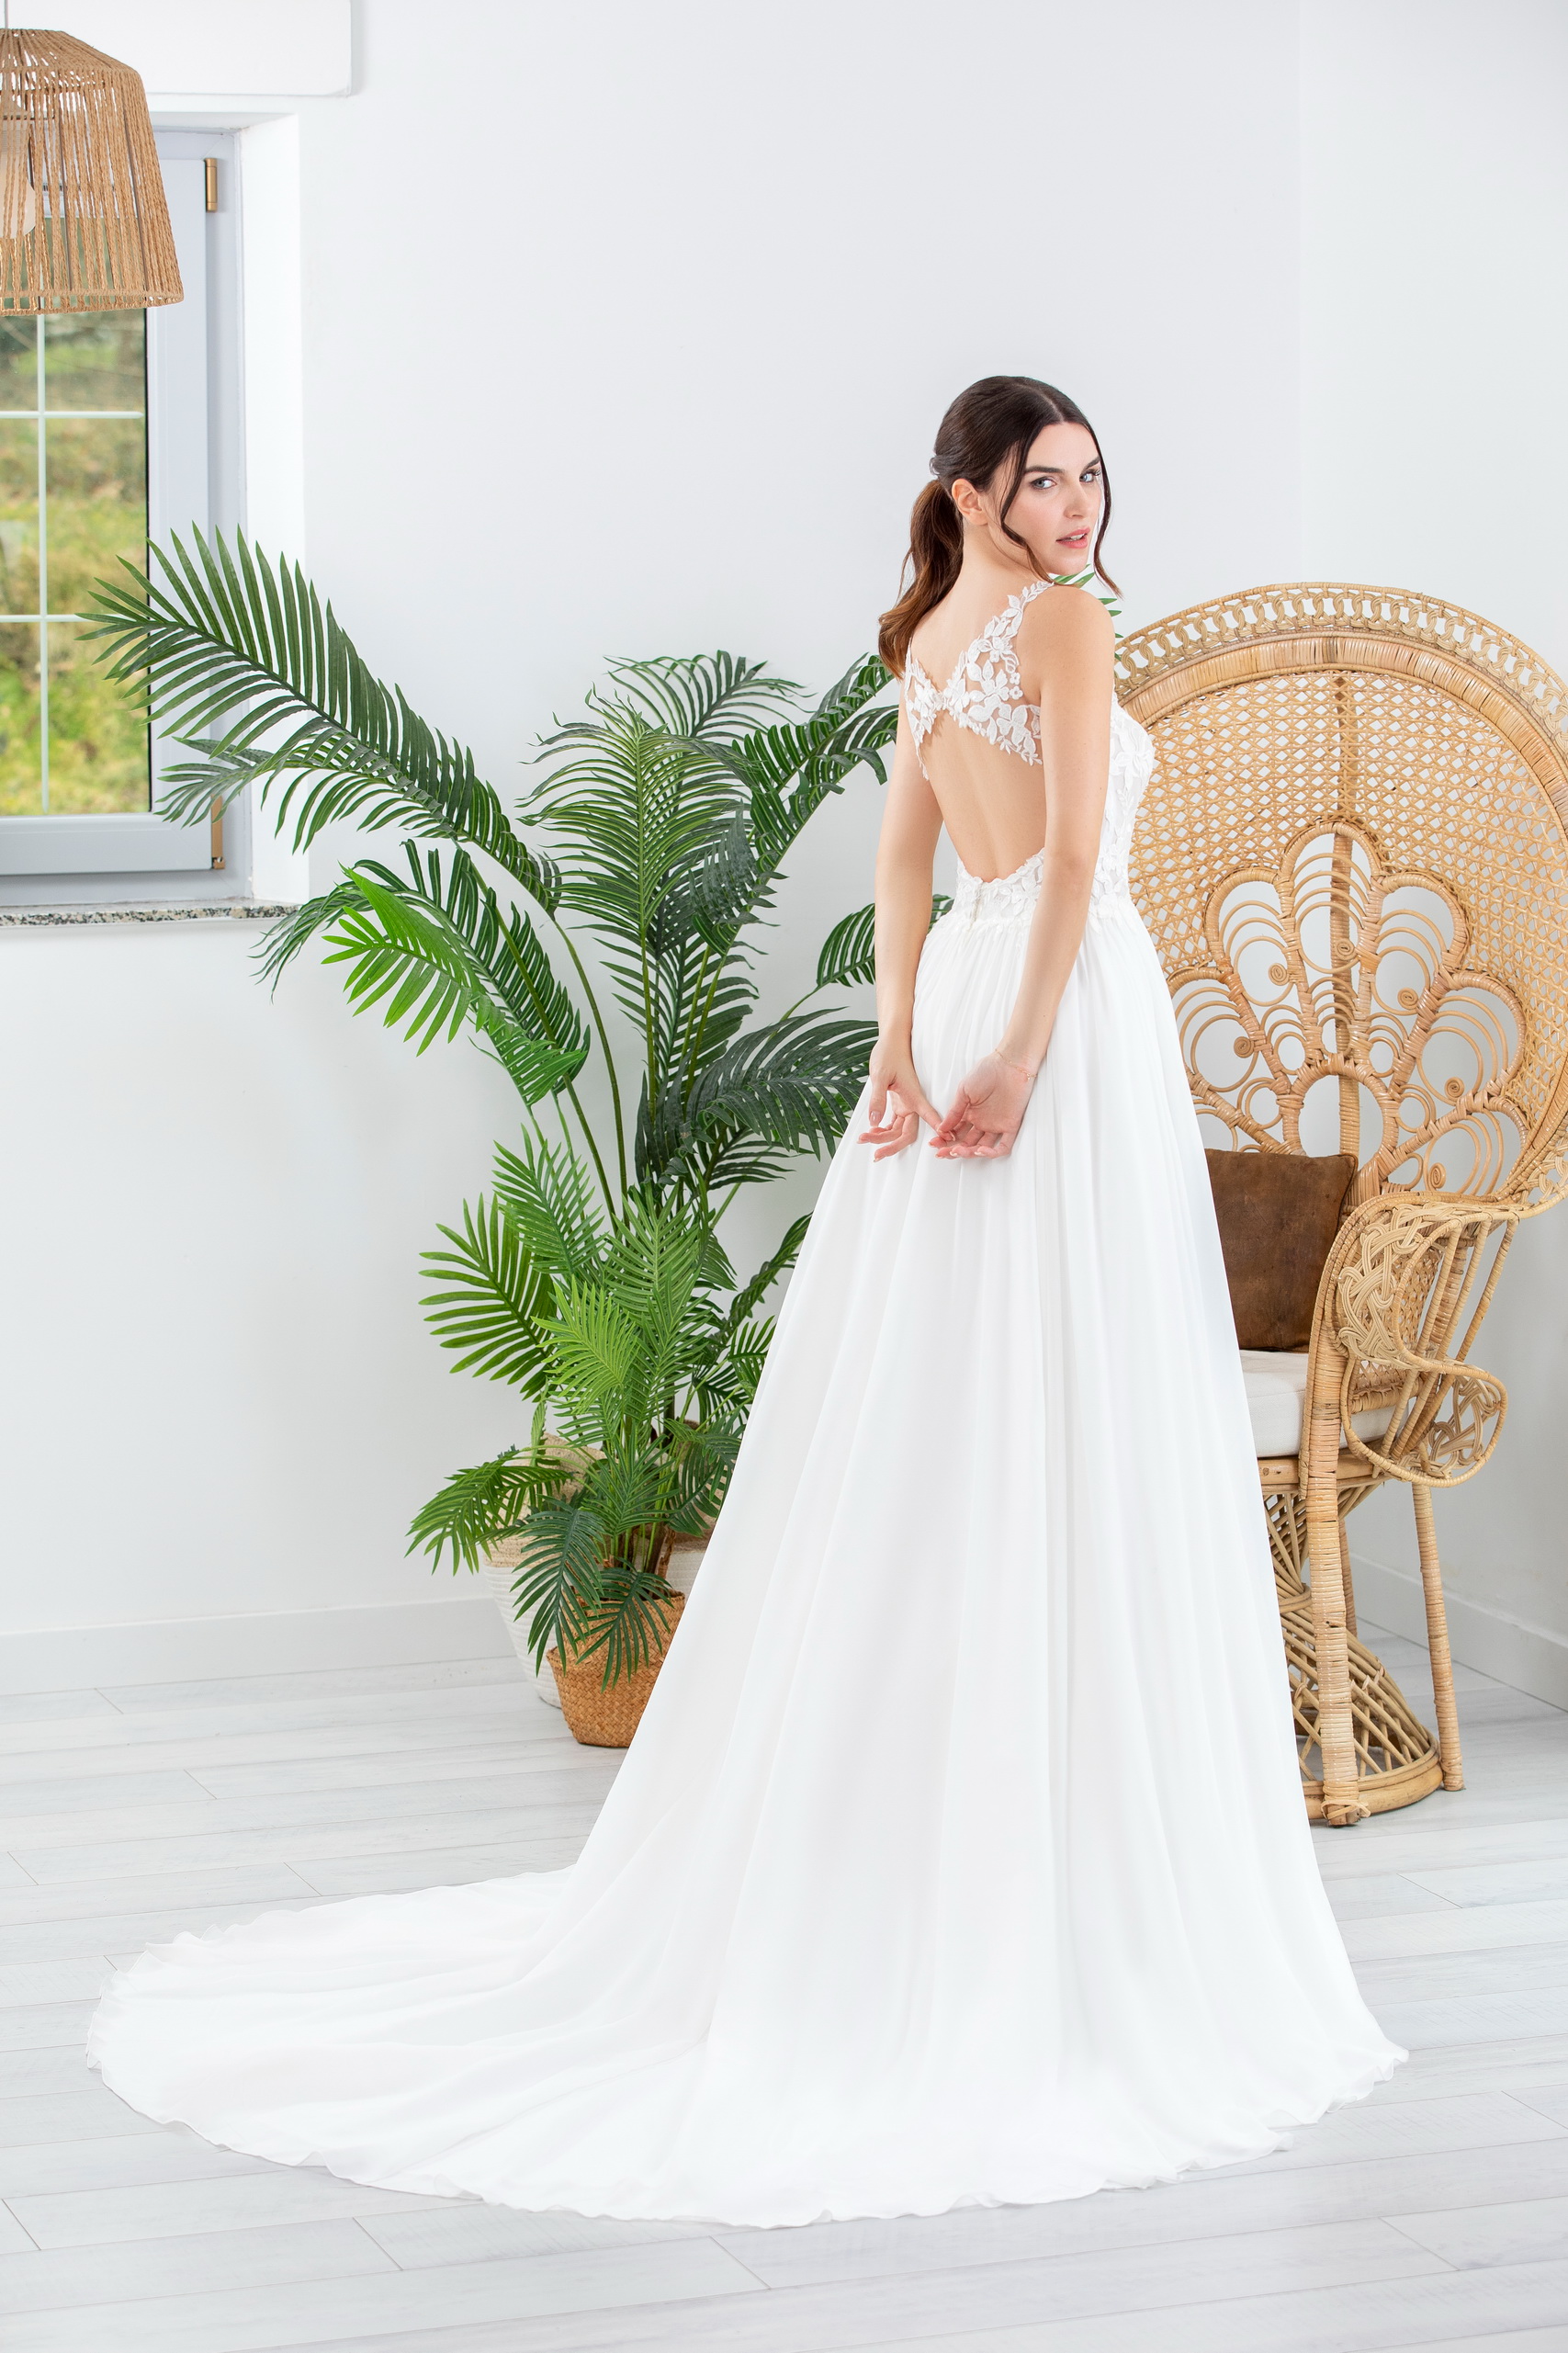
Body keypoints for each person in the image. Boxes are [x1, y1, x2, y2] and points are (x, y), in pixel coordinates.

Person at [85, 374, 1402, 2227]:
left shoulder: (924, 642)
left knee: (951, 1398)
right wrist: (1015, 1051)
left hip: (966, 994)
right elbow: (1072, 866)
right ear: (970, 491)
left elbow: (903, 867)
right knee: (1050, 1391)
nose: (1081, 508)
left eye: (1092, 478)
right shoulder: (1060, 625)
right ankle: (1057, 1838)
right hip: (1060, 1010)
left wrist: (899, 1040)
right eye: (1046, 480)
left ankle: (971, 1813)